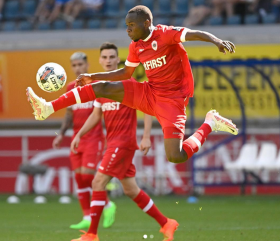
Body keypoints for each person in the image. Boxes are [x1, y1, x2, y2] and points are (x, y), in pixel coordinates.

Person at [26, 5, 238, 167]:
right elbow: (126, 73)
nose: (127, 30)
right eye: (126, 26)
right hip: (149, 92)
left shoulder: (164, 34)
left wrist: (216, 41)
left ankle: (210, 123)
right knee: (103, 88)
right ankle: (47, 108)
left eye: (131, 26)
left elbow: (192, 33)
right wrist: (93, 76)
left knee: (175, 156)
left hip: (172, 101)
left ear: (146, 23)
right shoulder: (136, 46)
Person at [69, 42, 177, 241]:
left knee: (98, 182)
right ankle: (166, 223)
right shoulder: (101, 88)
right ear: (100, 60)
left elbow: (147, 108)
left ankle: (91, 234)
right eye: (105, 57)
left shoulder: (129, 83)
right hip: (114, 143)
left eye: (112, 57)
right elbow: (95, 115)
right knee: (130, 189)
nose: (108, 61)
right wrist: (79, 134)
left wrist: (145, 137)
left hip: (123, 143)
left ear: (118, 59)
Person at [52, 51, 116, 230]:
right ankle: (86, 216)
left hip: (94, 138)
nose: (77, 68)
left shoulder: (97, 85)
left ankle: (108, 205)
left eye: (80, 65)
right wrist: (61, 134)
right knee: (79, 178)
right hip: (76, 138)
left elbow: (105, 111)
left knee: (88, 176)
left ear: (87, 66)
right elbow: (69, 113)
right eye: (74, 65)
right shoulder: (70, 87)